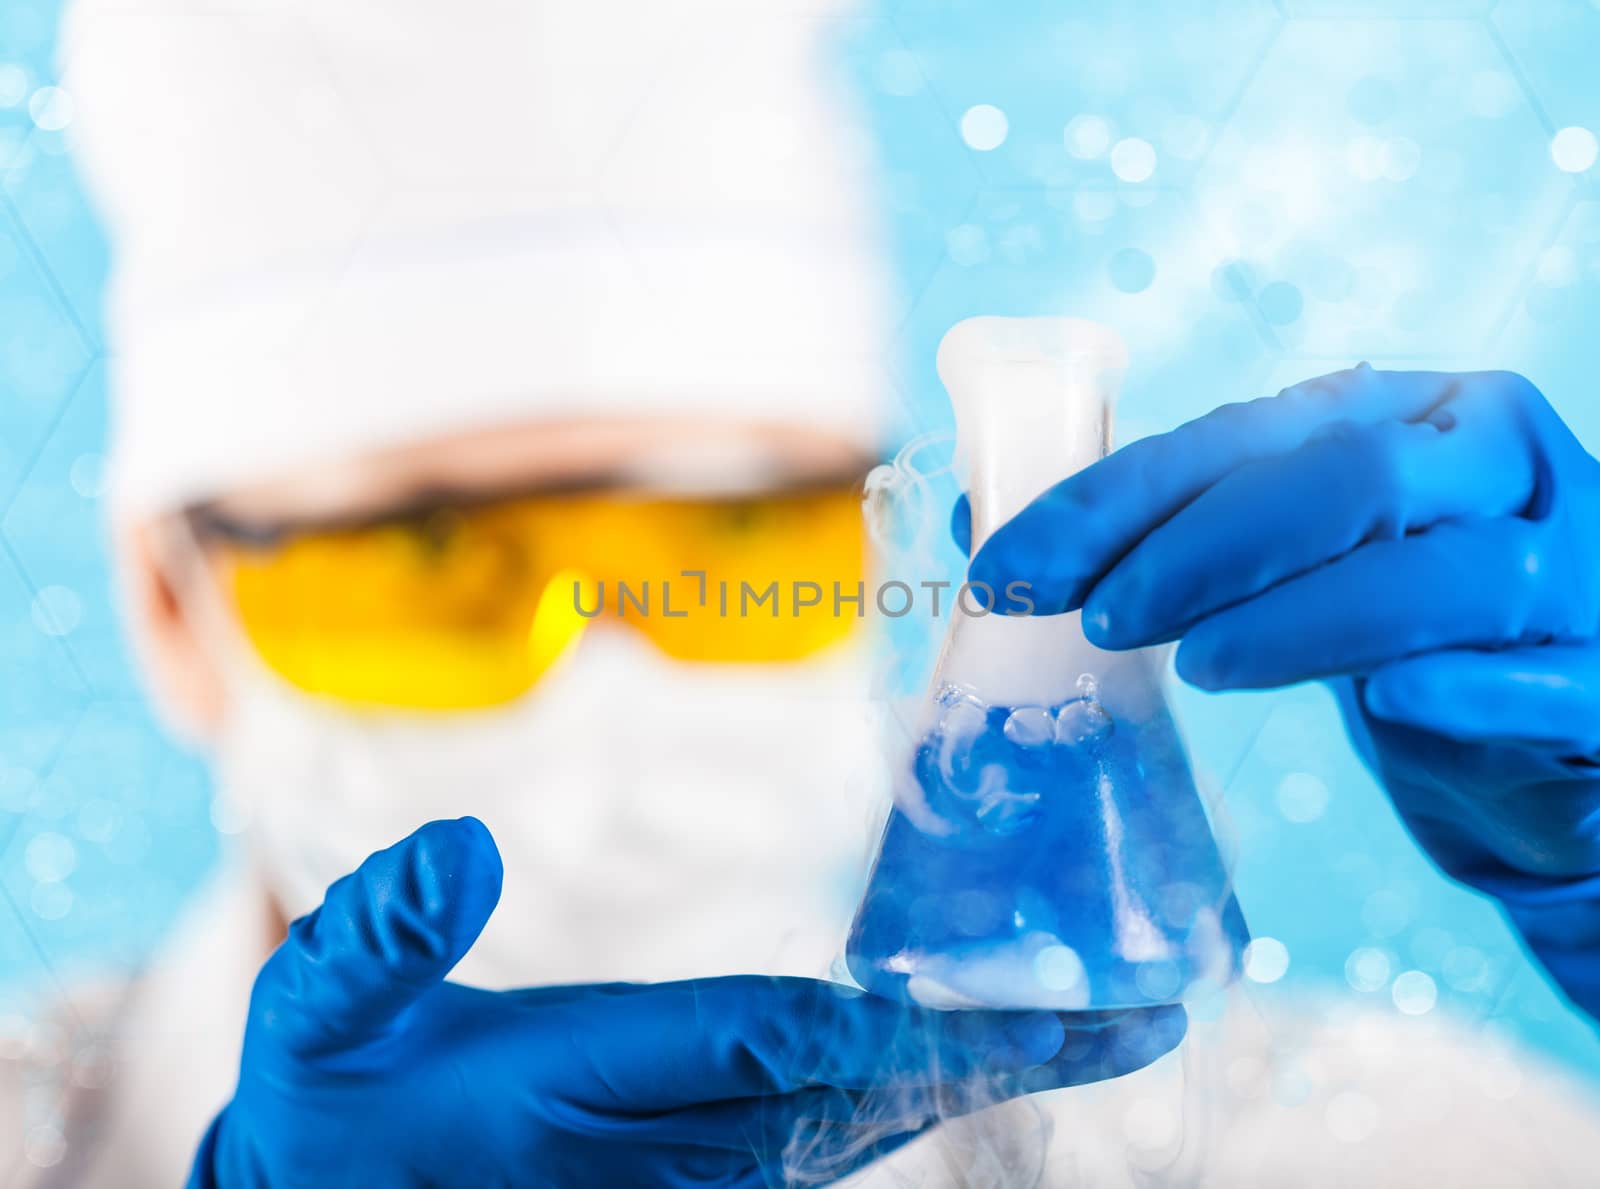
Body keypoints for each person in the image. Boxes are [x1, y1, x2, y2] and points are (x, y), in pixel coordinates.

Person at [19, 0, 1600, 1186]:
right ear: (173, 607)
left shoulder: (1374, 1148)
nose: (613, 675)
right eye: (440, 562)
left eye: (735, 546)